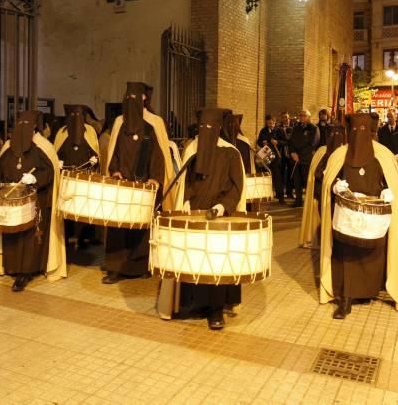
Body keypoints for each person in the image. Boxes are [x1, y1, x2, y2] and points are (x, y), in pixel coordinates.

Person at [317, 113, 398, 318]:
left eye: (364, 131)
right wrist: (335, 186)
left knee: (373, 255)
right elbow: (327, 179)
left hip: (374, 216)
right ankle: (346, 299)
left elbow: (391, 181)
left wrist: (387, 191)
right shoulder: (340, 154)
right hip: (346, 216)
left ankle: (368, 291)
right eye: (355, 131)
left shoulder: (383, 154)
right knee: (347, 256)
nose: (359, 135)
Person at [157, 108, 246, 329]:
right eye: (202, 128)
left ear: (218, 129)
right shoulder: (192, 150)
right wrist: (185, 200)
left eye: (210, 128)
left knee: (215, 263)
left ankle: (216, 310)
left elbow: (237, 187)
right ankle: (197, 303)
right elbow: (185, 182)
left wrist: (222, 206)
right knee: (195, 259)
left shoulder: (231, 153)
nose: (205, 132)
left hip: (219, 217)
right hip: (194, 215)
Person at [103, 82, 175, 284]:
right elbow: (113, 151)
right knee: (118, 227)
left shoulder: (154, 124)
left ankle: (140, 266)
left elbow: (159, 154)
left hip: (144, 185)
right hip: (122, 184)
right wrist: (114, 170)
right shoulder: (119, 123)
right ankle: (116, 268)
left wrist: (155, 178)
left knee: (142, 228)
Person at [0, 110, 67, 291]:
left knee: (30, 239)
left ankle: (26, 272)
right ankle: (12, 267)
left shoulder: (43, 146)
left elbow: (50, 172)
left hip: (35, 201)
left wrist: (35, 179)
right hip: (11, 201)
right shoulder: (9, 145)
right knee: (12, 235)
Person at [54, 104, 101, 250]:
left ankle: (85, 237)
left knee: (86, 207)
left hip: (85, 176)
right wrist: (58, 161)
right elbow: (56, 150)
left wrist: (95, 159)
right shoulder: (61, 132)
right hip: (66, 178)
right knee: (66, 209)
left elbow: (95, 149)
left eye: (79, 116)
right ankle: (66, 238)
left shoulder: (90, 131)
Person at [300, 124, 344, 247]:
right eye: (332, 135)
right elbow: (317, 171)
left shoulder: (344, 151)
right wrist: (327, 175)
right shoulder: (322, 152)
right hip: (323, 192)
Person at [289, 110, 319, 207]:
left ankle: (308, 202)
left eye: (304, 115)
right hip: (296, 159)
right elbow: (291, 142)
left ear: (308, 117)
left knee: (307, 181)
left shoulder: (313, 128)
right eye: (300, 115)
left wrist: (300, 155)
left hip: (306, 159)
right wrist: (293, 153)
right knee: (297, 181)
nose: (302, 117)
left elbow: (312, 144)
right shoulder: (296, 128)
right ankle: (298, 200)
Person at [257, 114, 286, 203]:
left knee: (277, 176)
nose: (270, 125)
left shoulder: (280, 130)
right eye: (269, 123)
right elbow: (258, 141)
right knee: (266, 174)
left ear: (275, 122)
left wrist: (277, 142)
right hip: (266, 155)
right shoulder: (263, 130)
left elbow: (286, 141)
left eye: (272, 123)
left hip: (277, 156)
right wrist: (262, 143)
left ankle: (280, 197)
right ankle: (265, 195)